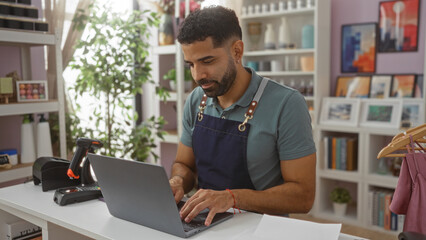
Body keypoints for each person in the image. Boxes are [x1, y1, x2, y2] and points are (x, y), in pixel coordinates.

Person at [169, 5, 316, 226]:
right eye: (191, 64)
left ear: (237, 51)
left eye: (207, 61)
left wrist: (231, 198)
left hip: (260, 229)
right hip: (205, 225)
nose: (198, 75)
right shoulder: (196, 100)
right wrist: (178, 181)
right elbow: (184, 164)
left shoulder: (286, 104)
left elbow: (303, 196)